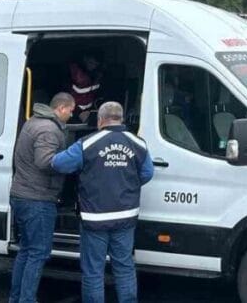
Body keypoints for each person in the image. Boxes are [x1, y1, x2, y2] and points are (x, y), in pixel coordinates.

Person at [52, 102, 154, 303]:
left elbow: (59, 164)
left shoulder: (88, 143)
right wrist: (127, 184)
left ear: (100, 120)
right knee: (124, 268)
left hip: (95, 218)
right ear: (121, 119)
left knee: (93, 272)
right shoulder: (138, 143)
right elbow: (148, 173)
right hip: (126, 216)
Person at [8, 92, 76, 303]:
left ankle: (17, 298)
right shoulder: (48, 129)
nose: (72, 115)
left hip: (22, 194)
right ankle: (27, 300)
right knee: (38, 252)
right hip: (37, 198)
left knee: (27, 250)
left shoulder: (33, 122)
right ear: (62, 108)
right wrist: (73, 159)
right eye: (71, 111)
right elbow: (45, 161)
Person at [68, 54, 103, 123]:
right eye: (91, 63)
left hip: (86, 109)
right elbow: (82, 89)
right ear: (85, 60)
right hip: (75, 109)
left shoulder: (93, 74)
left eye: (96, 64)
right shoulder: (78, 74)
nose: (93, 66)